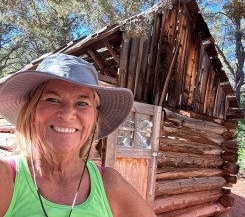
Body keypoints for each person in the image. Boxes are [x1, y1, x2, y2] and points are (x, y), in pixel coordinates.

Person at [0, 53, 156, 217]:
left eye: (82, 103)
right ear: (31, 111)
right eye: (52, 99)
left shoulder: (108, 184)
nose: (67, 114)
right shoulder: (6, 179)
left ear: (94, 117)